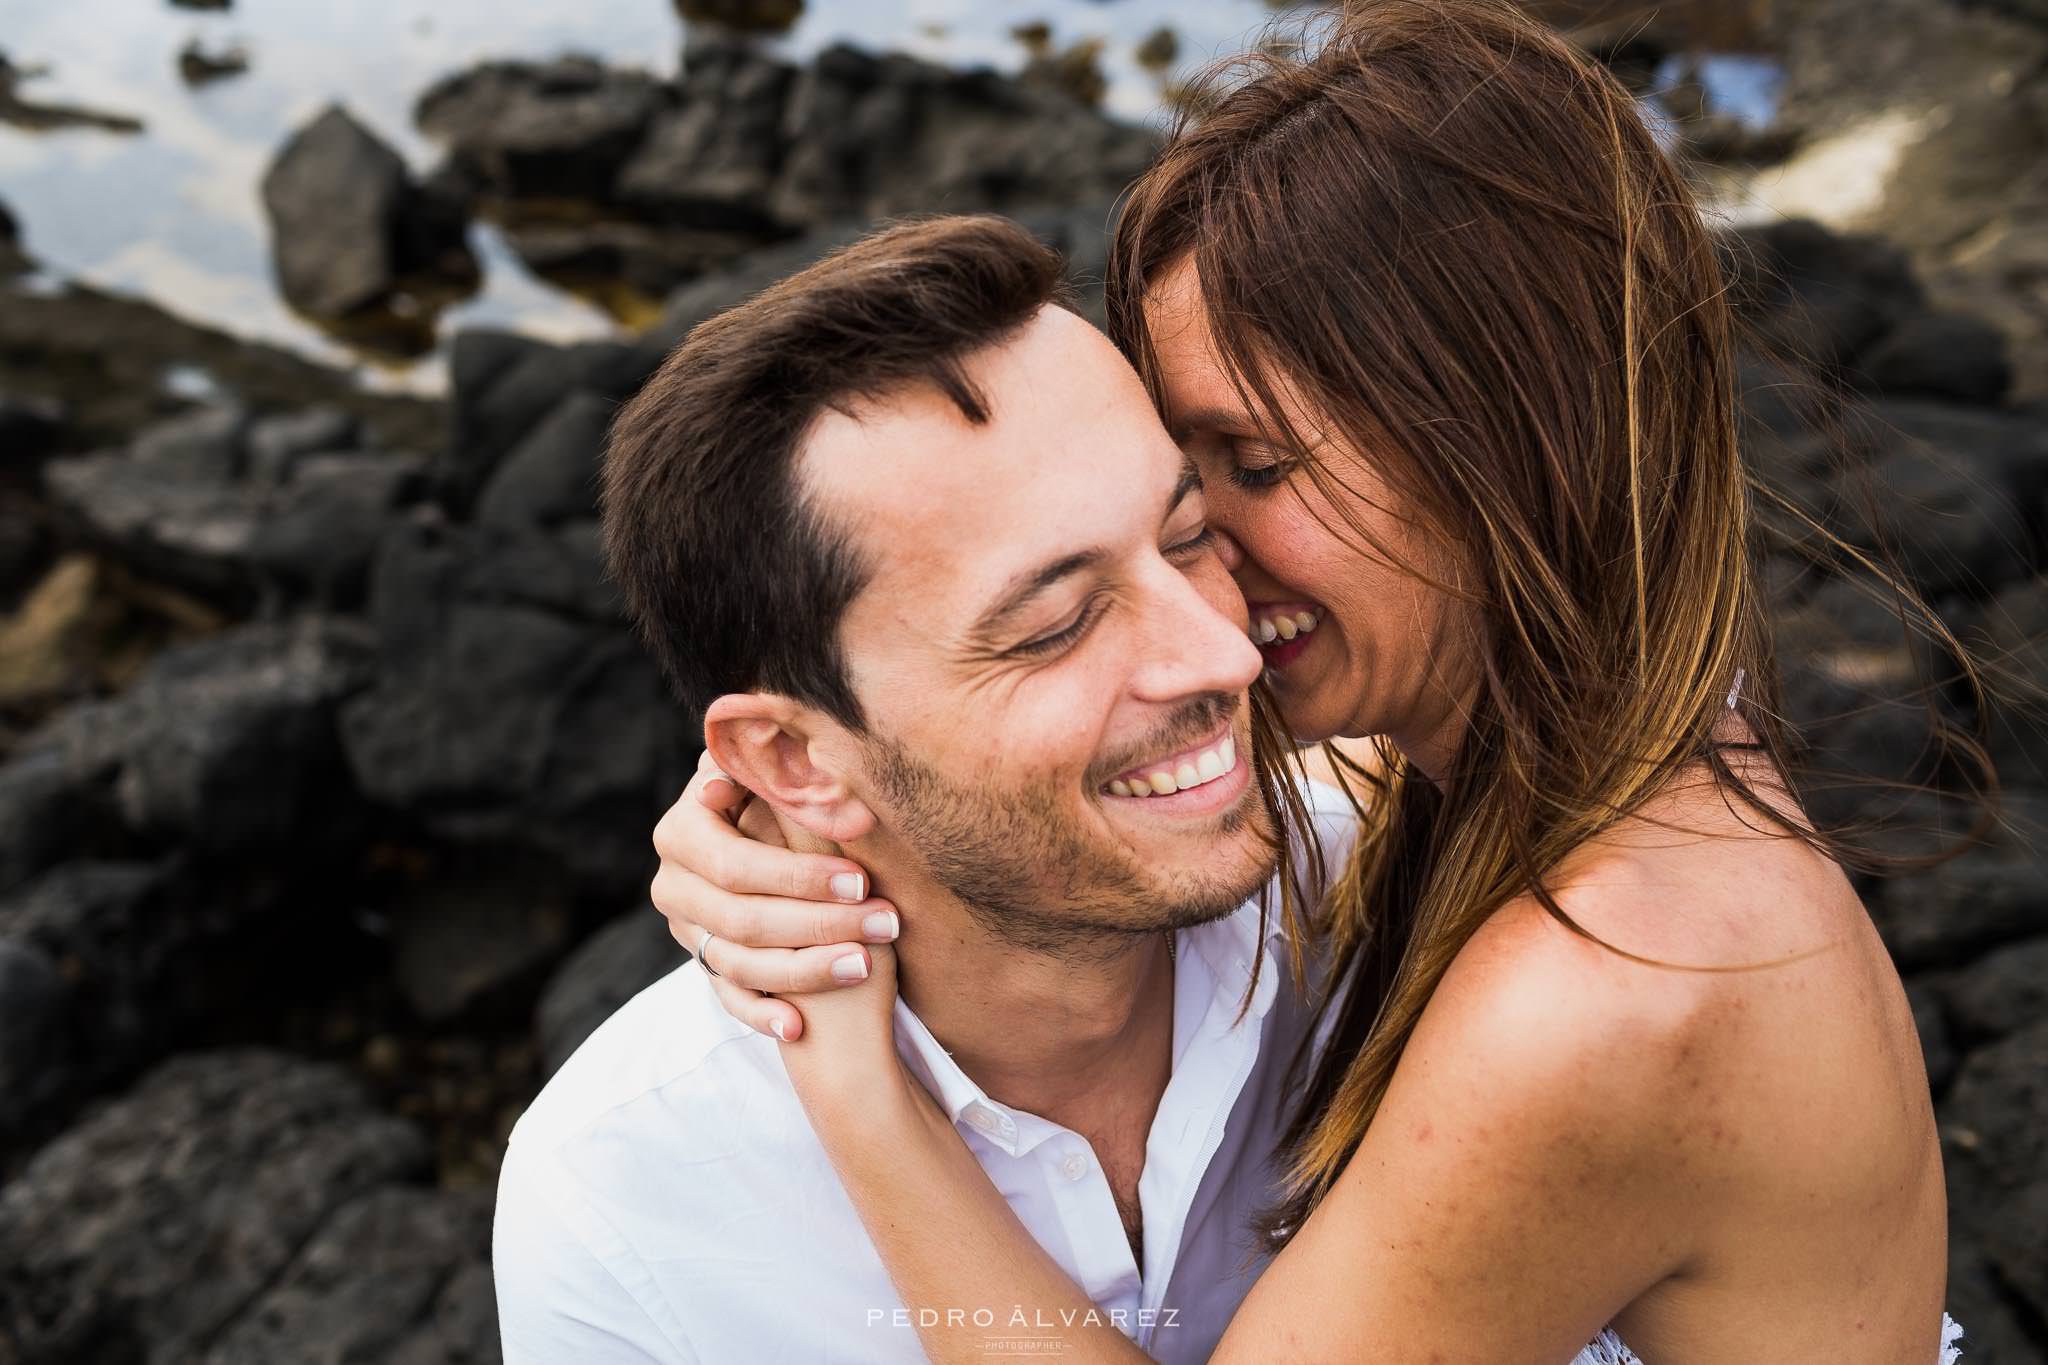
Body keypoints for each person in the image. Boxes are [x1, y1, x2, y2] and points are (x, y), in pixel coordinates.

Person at [644, 2, 1971, 1360]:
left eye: (1255, 468)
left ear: (1514, 453)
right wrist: (797, 801)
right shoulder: (1627, 745)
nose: (1207, 570)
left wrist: (867, 1095)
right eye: (1180, 481)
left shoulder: (1613, 985)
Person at [492, 213, 1366, 1364]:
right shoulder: (629, 1213)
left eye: (1188, 533)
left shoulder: (1405, 901)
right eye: (1054, 626)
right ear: (794, 762)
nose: (1222, 655)